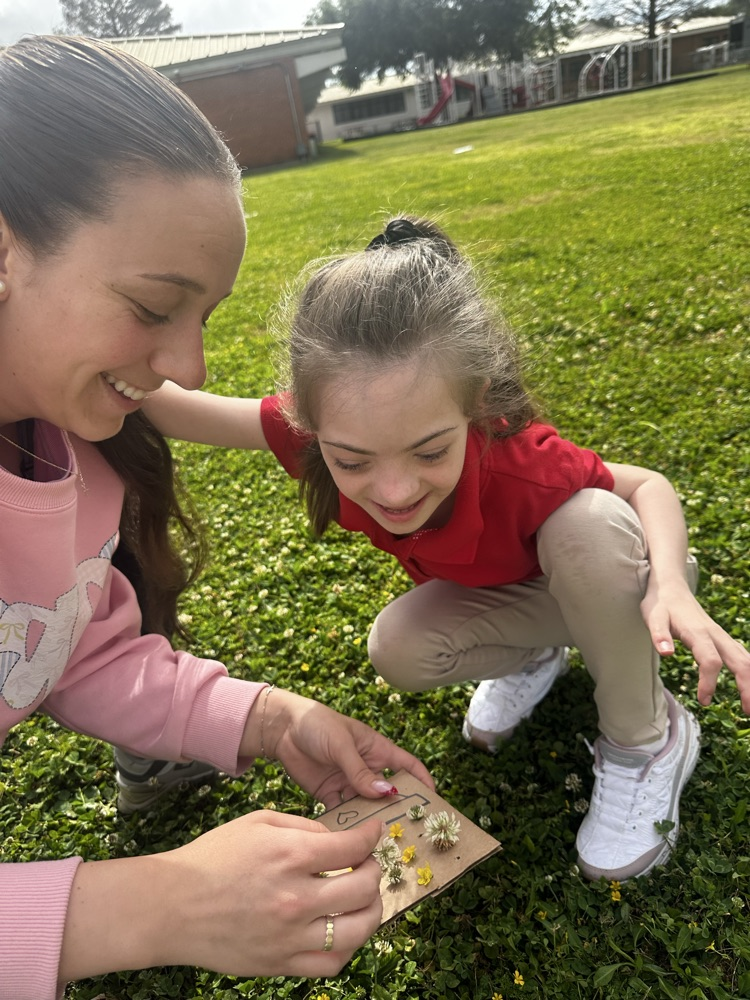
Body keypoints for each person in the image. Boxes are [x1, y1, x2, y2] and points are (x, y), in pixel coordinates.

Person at [0, 40, 435, 1000]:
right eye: (153, 305)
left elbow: (69, 652)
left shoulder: (66, 444)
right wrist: (152, 907)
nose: (188, 369)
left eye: (203, 317)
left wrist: (273, 722)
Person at [145, 216, 750, 886]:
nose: (395, 490)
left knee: (587, 521)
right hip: (525, 603)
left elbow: (646, 486)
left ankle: (647, 739)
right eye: (353, 461)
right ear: (311, 428)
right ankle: (536, 659)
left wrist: (671, 586)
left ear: (475, 404)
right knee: (398, 646)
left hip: (627, 583)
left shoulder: (516, 459)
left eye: (430, 451)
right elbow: (169, 408)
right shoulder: (321, 426)